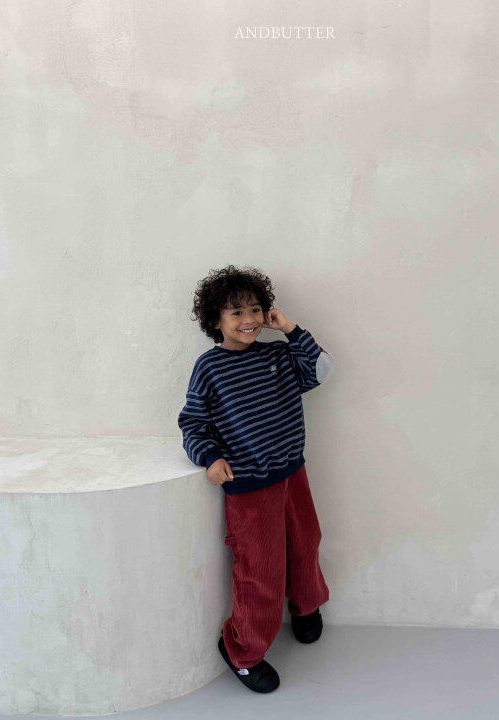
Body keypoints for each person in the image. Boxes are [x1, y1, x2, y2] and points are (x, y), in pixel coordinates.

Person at [178, 264, 334, 693]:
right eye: (236, 313)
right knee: (260, 568)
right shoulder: (209, 368)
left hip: (292, 471)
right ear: (216, 321)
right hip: (248, 485)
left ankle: (305, 606)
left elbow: (321, 370)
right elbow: (192, 422)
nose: (248, 320)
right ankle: (242, 650)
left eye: (254, 310)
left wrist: (291, 330)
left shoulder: (279, 355)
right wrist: (209, 458)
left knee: (305, 543)